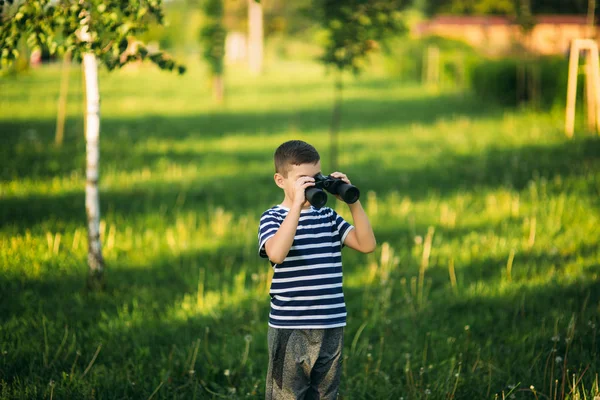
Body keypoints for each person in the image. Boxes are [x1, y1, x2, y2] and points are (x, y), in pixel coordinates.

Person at [258, 140, 376, 399]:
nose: (312, 185)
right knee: (287, 395)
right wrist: (297, 209)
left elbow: (367, 245)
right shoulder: (273, 218)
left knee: (325, 394)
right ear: (280, 180)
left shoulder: (328, 217)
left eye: (316, 178)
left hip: (331, 324)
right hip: (291, 327)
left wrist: (351, 200)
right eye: (303, 181)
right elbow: (276, 254)